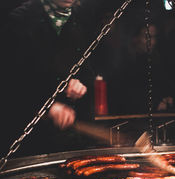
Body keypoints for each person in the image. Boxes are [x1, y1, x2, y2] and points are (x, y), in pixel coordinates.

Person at [0, 0, 122, 156]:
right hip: (27, 138)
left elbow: (86, 67)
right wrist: (47, 107)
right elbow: (10, 81)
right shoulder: (20, 20)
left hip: (67, 137)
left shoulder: (79, 18)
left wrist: (79, 84)